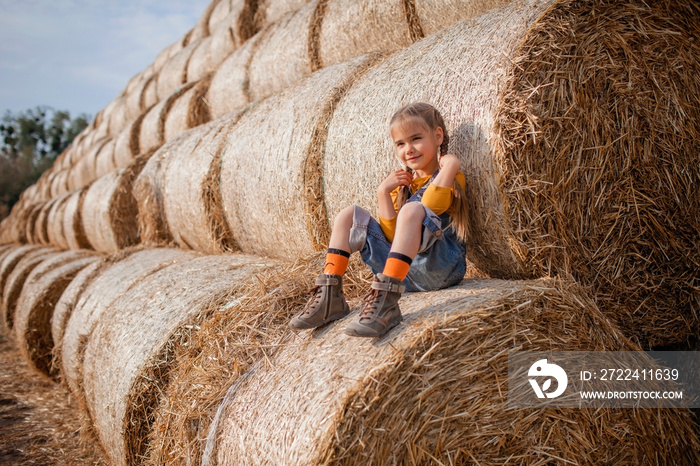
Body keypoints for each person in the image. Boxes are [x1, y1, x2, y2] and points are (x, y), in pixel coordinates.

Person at [290, 102, 469, 337]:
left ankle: (386, 303)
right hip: (406, 275)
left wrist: (451, 165)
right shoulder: (402, 187)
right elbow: (395, 238)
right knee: (350, 215)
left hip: (441, 268)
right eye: (401, 143)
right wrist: (383, 193)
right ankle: (329, 294)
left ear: (437, 136)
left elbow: (431, 206)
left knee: (413, 209)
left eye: (416, 139)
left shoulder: (450, 177)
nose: (409, 149)